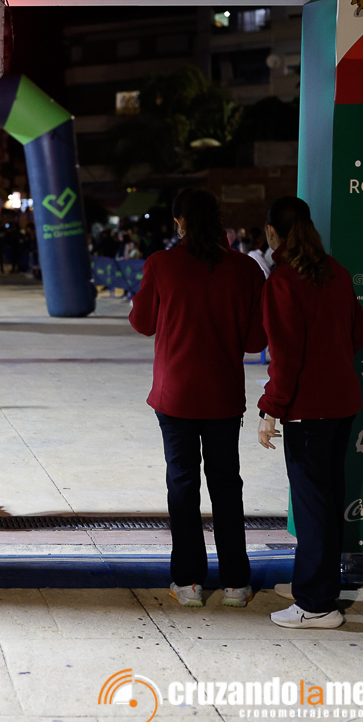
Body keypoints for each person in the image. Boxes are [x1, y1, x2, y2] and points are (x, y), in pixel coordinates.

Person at [129, 188, 267, 609]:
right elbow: (255, 342)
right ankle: (236, 583)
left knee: (182, 483)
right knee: (226, 484)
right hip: (223, 395)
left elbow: (142, 323)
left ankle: (188, 582)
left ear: (179, 222)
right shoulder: (245, 269)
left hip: (175, 396)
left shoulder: (161, 264)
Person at [255, 196, 363, 630]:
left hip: (307, 411)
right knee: (327, 502)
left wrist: (270, 410)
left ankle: (317, 604)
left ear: (272, 233)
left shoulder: (283, 281)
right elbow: (360, 331)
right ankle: (317, 587)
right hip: (342, 405)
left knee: (312, 508)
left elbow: (285, 359)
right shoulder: (335, 271)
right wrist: (331, 361)